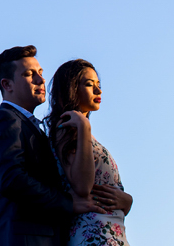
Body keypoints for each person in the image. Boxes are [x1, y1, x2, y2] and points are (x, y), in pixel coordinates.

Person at [0, 45, 100, 246]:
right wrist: (67, 203)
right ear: (7, 84)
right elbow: (10, 179)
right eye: (29, 74)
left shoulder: (36, 129)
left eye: (40, 73)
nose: (40, 80)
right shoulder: (3, 119)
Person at [46, 60, 132, 246]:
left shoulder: (84, 135)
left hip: (111, 234)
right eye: (89, 84)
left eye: (98, 85)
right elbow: (82, 186)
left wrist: (128, 201)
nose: (98, 91)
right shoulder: (66, 128)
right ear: (72, 88)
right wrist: (84, 127)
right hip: (92, 236)